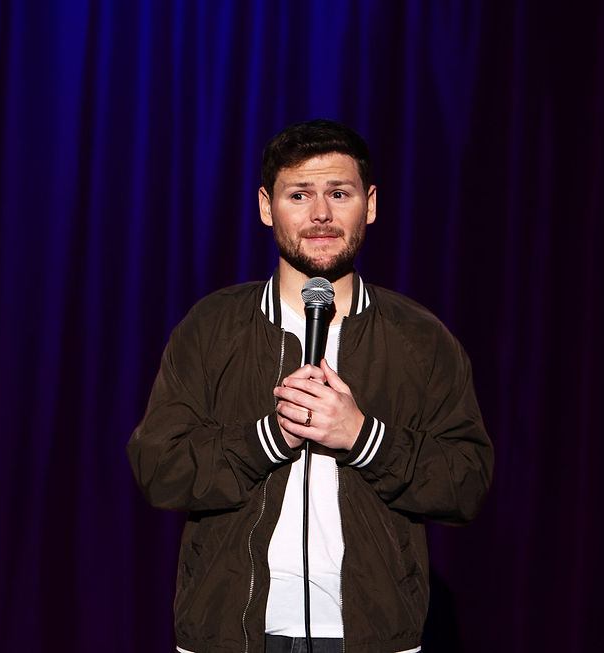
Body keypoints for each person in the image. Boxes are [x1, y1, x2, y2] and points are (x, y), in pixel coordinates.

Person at [127, 119, 493, 653]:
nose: (320, 213)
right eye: (299, 194)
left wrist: (364, 438)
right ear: (265, 206)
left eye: (338, 193)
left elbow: (467, 483)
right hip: (229, 637)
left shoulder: (420, 339)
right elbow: (158, 469)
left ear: (368, 205)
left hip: (371, 639)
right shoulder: (213, 327)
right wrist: (267, 438)